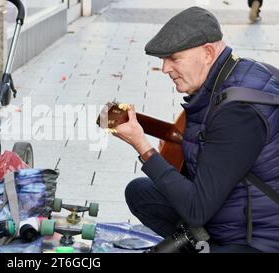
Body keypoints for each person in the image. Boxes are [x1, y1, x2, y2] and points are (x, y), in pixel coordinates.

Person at [114, 7, 279, 253]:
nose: (165, 68)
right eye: (163, 60)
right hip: (233, 211)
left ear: (208, 52)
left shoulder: (238, 112)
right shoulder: (237, 73)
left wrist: (142, 146)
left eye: (174, 58)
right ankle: (197, 243)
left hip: (258, 238)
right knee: (140, 192)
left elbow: (197, 209)